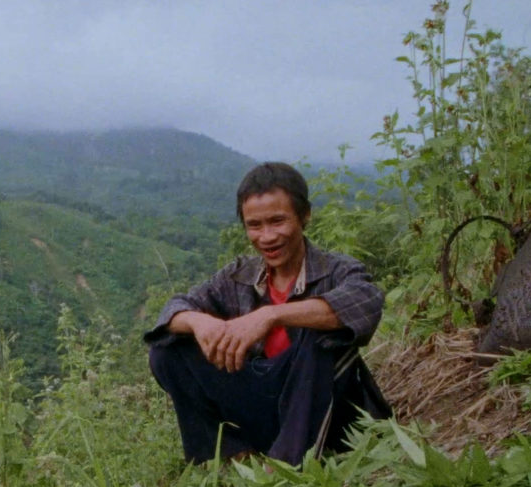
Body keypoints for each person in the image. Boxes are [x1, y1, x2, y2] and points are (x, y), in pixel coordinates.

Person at [145, 162, 392, 466]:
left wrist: (270, 315)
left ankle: (286, 466)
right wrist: (199, 321)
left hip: (332, 418)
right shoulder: (237, 277)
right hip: (265, 403)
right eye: (255, 225)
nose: (267, 237)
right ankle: (231, 454)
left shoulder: (336, 270)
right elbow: (172, 311)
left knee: (321, 336)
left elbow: (365, 302)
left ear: (304, 216)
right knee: (167, 351)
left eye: (278, 221)